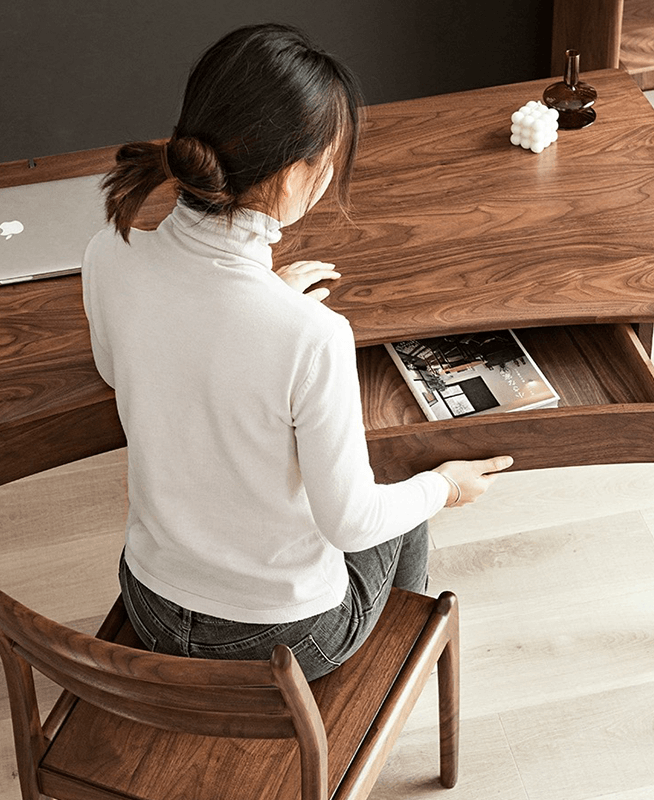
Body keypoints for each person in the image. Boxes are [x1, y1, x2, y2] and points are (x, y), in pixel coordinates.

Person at [82, 23, 513, 681]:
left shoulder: (108, 252)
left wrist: (265, 300)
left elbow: (125, 369)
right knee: (403, 481)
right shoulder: (310, 336)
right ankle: (388, 670)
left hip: (151, 604)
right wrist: (445, 488)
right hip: (281, 643)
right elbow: (351, 523)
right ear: (291, 179)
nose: (331, 173)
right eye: (327, 160)